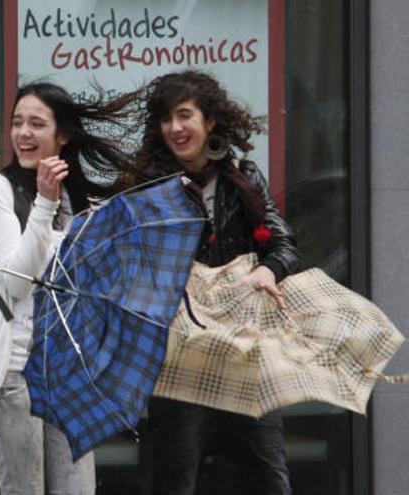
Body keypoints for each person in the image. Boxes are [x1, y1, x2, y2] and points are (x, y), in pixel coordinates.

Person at [0, 82, 137, 495]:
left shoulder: (76, 201)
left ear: (62, 136)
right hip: (15, 366)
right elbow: (14, 280)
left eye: (36, 124)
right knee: (24, 489)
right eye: (17, 122)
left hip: (66, 370)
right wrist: (43, 204)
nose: (23, 133)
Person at [137, 70, 299, 495]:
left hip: (243, 356)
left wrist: (267, 270)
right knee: (177, 481)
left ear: (210, 122)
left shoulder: (242, 179)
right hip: (181, 364)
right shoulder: (150, 188)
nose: (175, 128)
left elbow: (282, 244)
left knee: (271, 479)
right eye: (166, 118)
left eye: (185, 115)